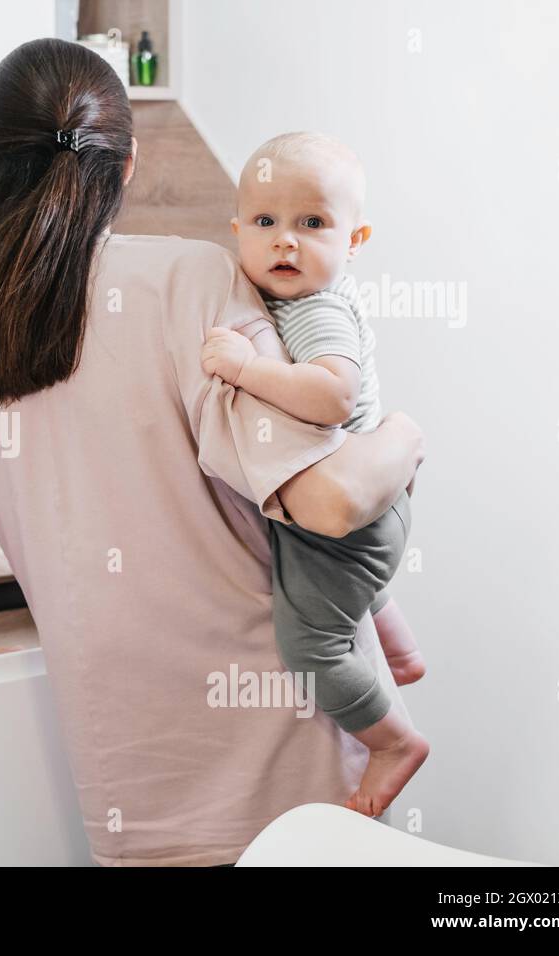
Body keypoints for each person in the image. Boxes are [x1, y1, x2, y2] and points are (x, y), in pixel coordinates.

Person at [0, 38, 424, 866]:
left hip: (132, 789)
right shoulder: (192, 281)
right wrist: (405, 436)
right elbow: (326, 503)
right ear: (127, 164)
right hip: (290, 762)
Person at [202, 131, 429, 816]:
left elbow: (331, 396)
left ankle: (394, 742)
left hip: (351, 521)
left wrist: (245, 370)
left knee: (310, 643)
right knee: (331, 587)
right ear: (238, 229)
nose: (286, 243)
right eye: (266, 223)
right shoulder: (292, 299)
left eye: (312, 224)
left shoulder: (317, 310)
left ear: (353, 240)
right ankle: (400, 649)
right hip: (367, 513)